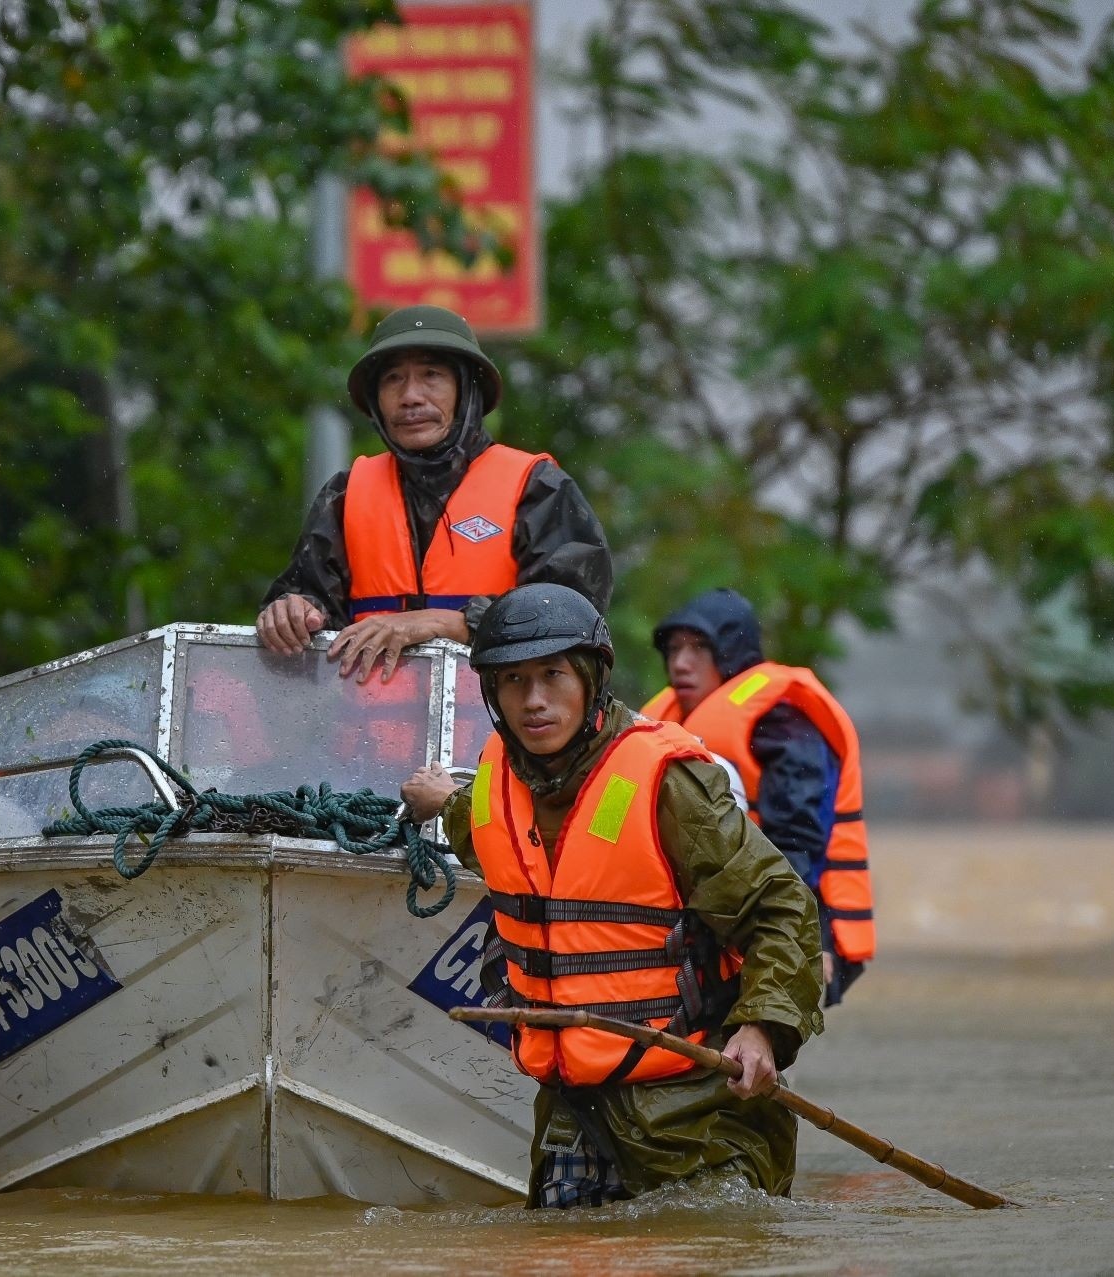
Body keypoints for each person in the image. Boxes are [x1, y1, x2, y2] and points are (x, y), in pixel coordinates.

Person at [399, 584, 823, 1208]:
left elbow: (781, 910)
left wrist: (761, 1030)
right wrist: (437, 802)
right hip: (572, 1115)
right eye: (513, 681)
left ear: (592, 679)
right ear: (491, 693)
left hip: (695, 1115)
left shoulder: (669, 783)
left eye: (552, 676)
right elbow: (495, 838)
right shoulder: (495, 784)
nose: (534, 701)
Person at [256, 304, 611, 683]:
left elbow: (571, 618)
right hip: (363, 736)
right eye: (393, 379)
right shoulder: (345, 494)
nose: (410, 396)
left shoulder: (537, 486)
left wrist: (446, 624)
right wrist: (290, 613)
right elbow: (307, 600)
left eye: (431, 375)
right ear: (376, 400)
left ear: (466, 391)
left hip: (502, 733)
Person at [640, 589, 873, 1005]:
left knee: (759, 1045)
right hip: (707, 915)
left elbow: (799, 843)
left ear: (730, 652)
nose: (680, 663)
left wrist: (794, 939)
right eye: (673, 649)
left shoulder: (784, 724)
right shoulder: (664, 719)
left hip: (792, 907)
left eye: (697, 648)